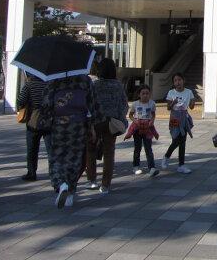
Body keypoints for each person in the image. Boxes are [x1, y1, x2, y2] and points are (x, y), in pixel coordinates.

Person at [44, 74, 100, 208]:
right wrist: (92, 126)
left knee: (57, 157)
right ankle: (70, 191)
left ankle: (61, 183)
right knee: (75, 159)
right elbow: (92, 104)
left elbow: (46, 103)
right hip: (79, 124)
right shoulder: (84, 80)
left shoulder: (54, 79)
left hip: (59, 124)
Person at [84, 58, 129, 194]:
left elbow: (89, 104)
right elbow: (124, 105)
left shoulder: (94, 84)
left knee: (90, 150)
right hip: (111, 122)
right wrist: (120, 118)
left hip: (96, 122)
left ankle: (91, 179)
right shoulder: (118, 86)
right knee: (109, 152)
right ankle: (105, 184)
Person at [16, 74, 51, 181]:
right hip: (48, 120)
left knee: (32, 148)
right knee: (51, 149)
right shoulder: (50, 85)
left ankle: (31, 173)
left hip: (33, 120)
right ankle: (54, 172)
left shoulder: (30, 85)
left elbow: (20, 101)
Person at [161, 72, 195, 173]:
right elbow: (168, 107)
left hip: (184, 116)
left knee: (183, 141)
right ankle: (166, 156)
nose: (178, 82)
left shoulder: (188, 92)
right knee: (176, 139)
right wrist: (173, 103)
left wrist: (192, 103)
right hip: (175, 117)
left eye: (179, 80)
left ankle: (181, 164)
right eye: (175, 80)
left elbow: (191, 106)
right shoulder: (171, 93)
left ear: (183, 81)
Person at [127, 84, 159, 177]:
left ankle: (152, 167)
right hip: (138, 127)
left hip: (147, 127)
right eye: (143, 93)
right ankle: (136, 166)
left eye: (147, 93)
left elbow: (153, 114)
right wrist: (135, 121)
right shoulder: (135, 104)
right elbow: (130, 115)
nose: (145, 95)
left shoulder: (152, 103)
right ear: (139, 95)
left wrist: (152, 121)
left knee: (148, 148)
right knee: (137, 148)